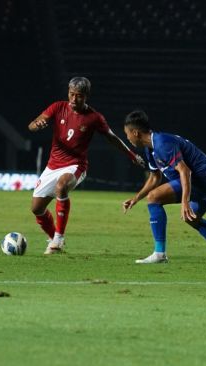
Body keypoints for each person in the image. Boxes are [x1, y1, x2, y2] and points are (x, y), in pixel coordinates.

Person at [27, 76, 145, 254]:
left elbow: (112, 138)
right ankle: (54, 240)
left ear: (86, 96)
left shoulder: (94, 118)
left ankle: (58, 238)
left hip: (76, 165)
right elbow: (32, 125)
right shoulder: (58, 107)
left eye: (79, 96)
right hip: (53, 165)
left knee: (61, 187)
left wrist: (132, 155)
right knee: (37, 209)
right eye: (71, 94)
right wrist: (38, 125)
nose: (74, 99)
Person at [121, 110, 206, 264]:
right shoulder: (150, 149)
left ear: (135, 132)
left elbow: (185, 171)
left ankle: (159, 254)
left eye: (127, 134)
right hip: (205, 180)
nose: (127, 138)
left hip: (202, 178)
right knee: (192, 219)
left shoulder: (162, 143)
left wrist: (185, 201)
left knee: (154, 198)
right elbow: (155, 177)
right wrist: (136, 198)